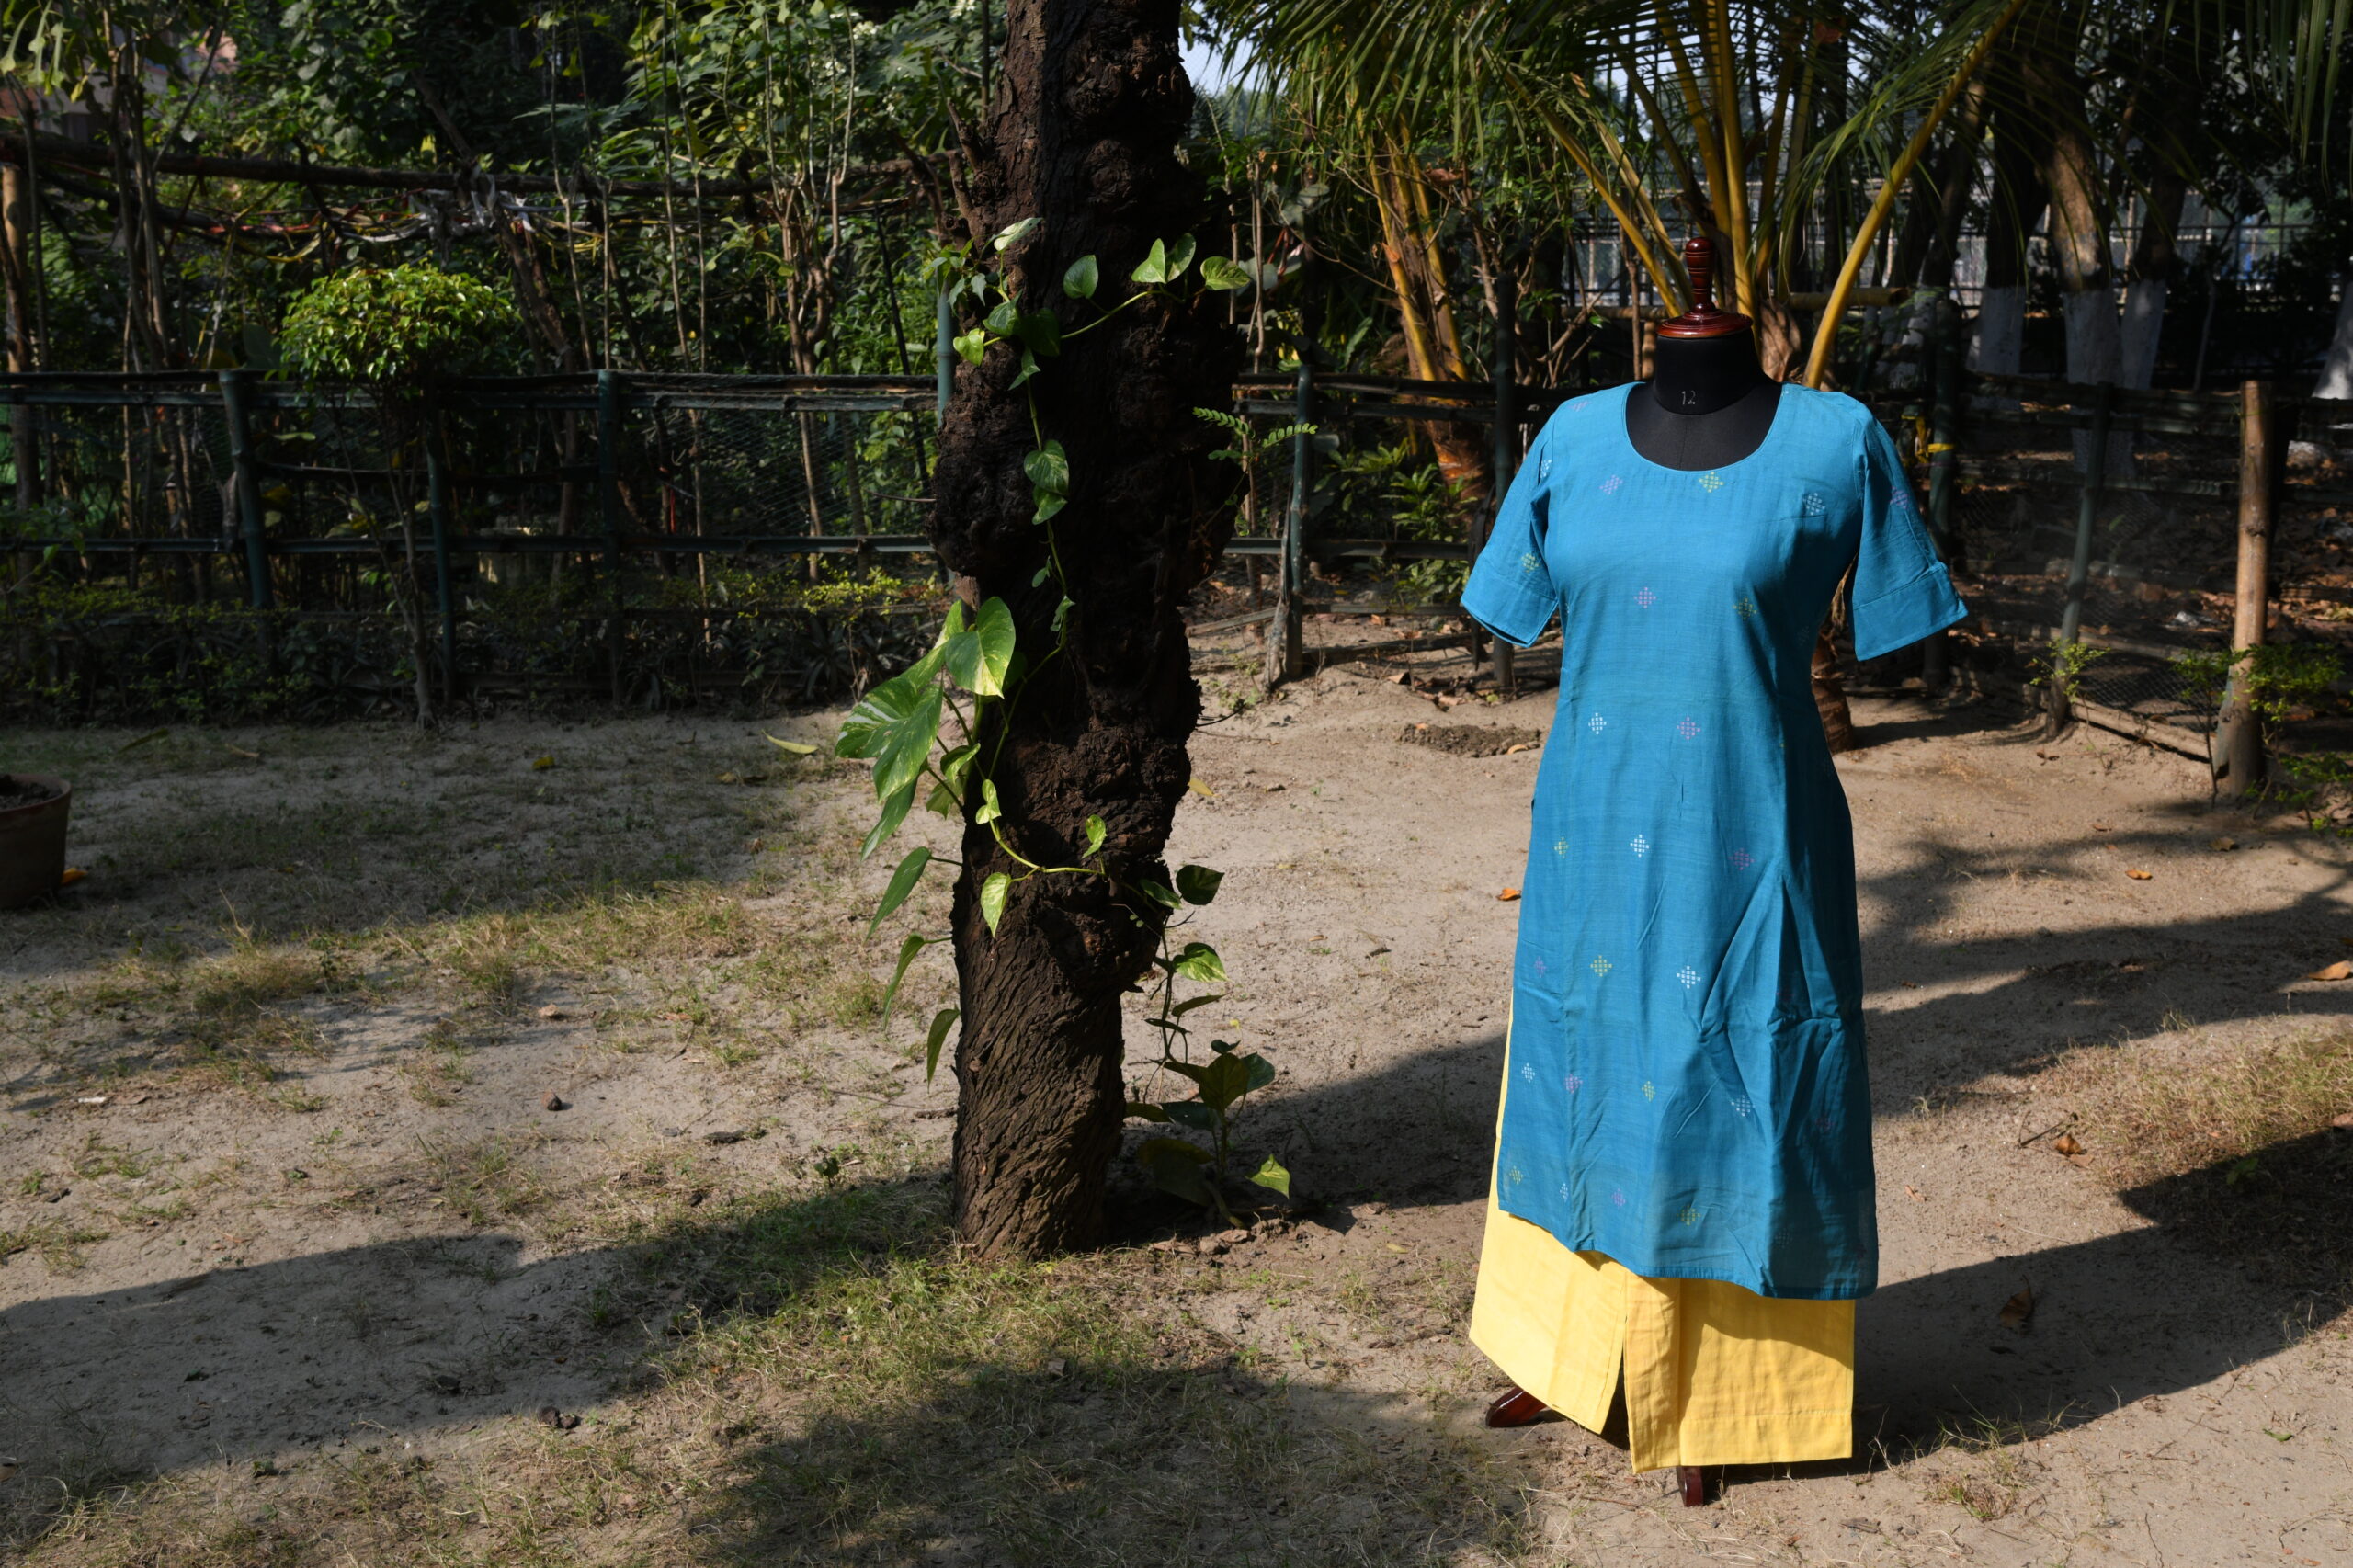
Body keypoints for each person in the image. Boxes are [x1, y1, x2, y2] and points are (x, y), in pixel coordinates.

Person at [1459, 236, 1968, 1506]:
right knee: (1578, 1066)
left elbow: (1898, 613)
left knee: (1741, 1075)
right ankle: (1568, 1356)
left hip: (1754, 831)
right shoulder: (1572, 438)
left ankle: (1721, 1398)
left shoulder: (1838, 443)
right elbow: (1510, 600)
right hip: (1587, 828)